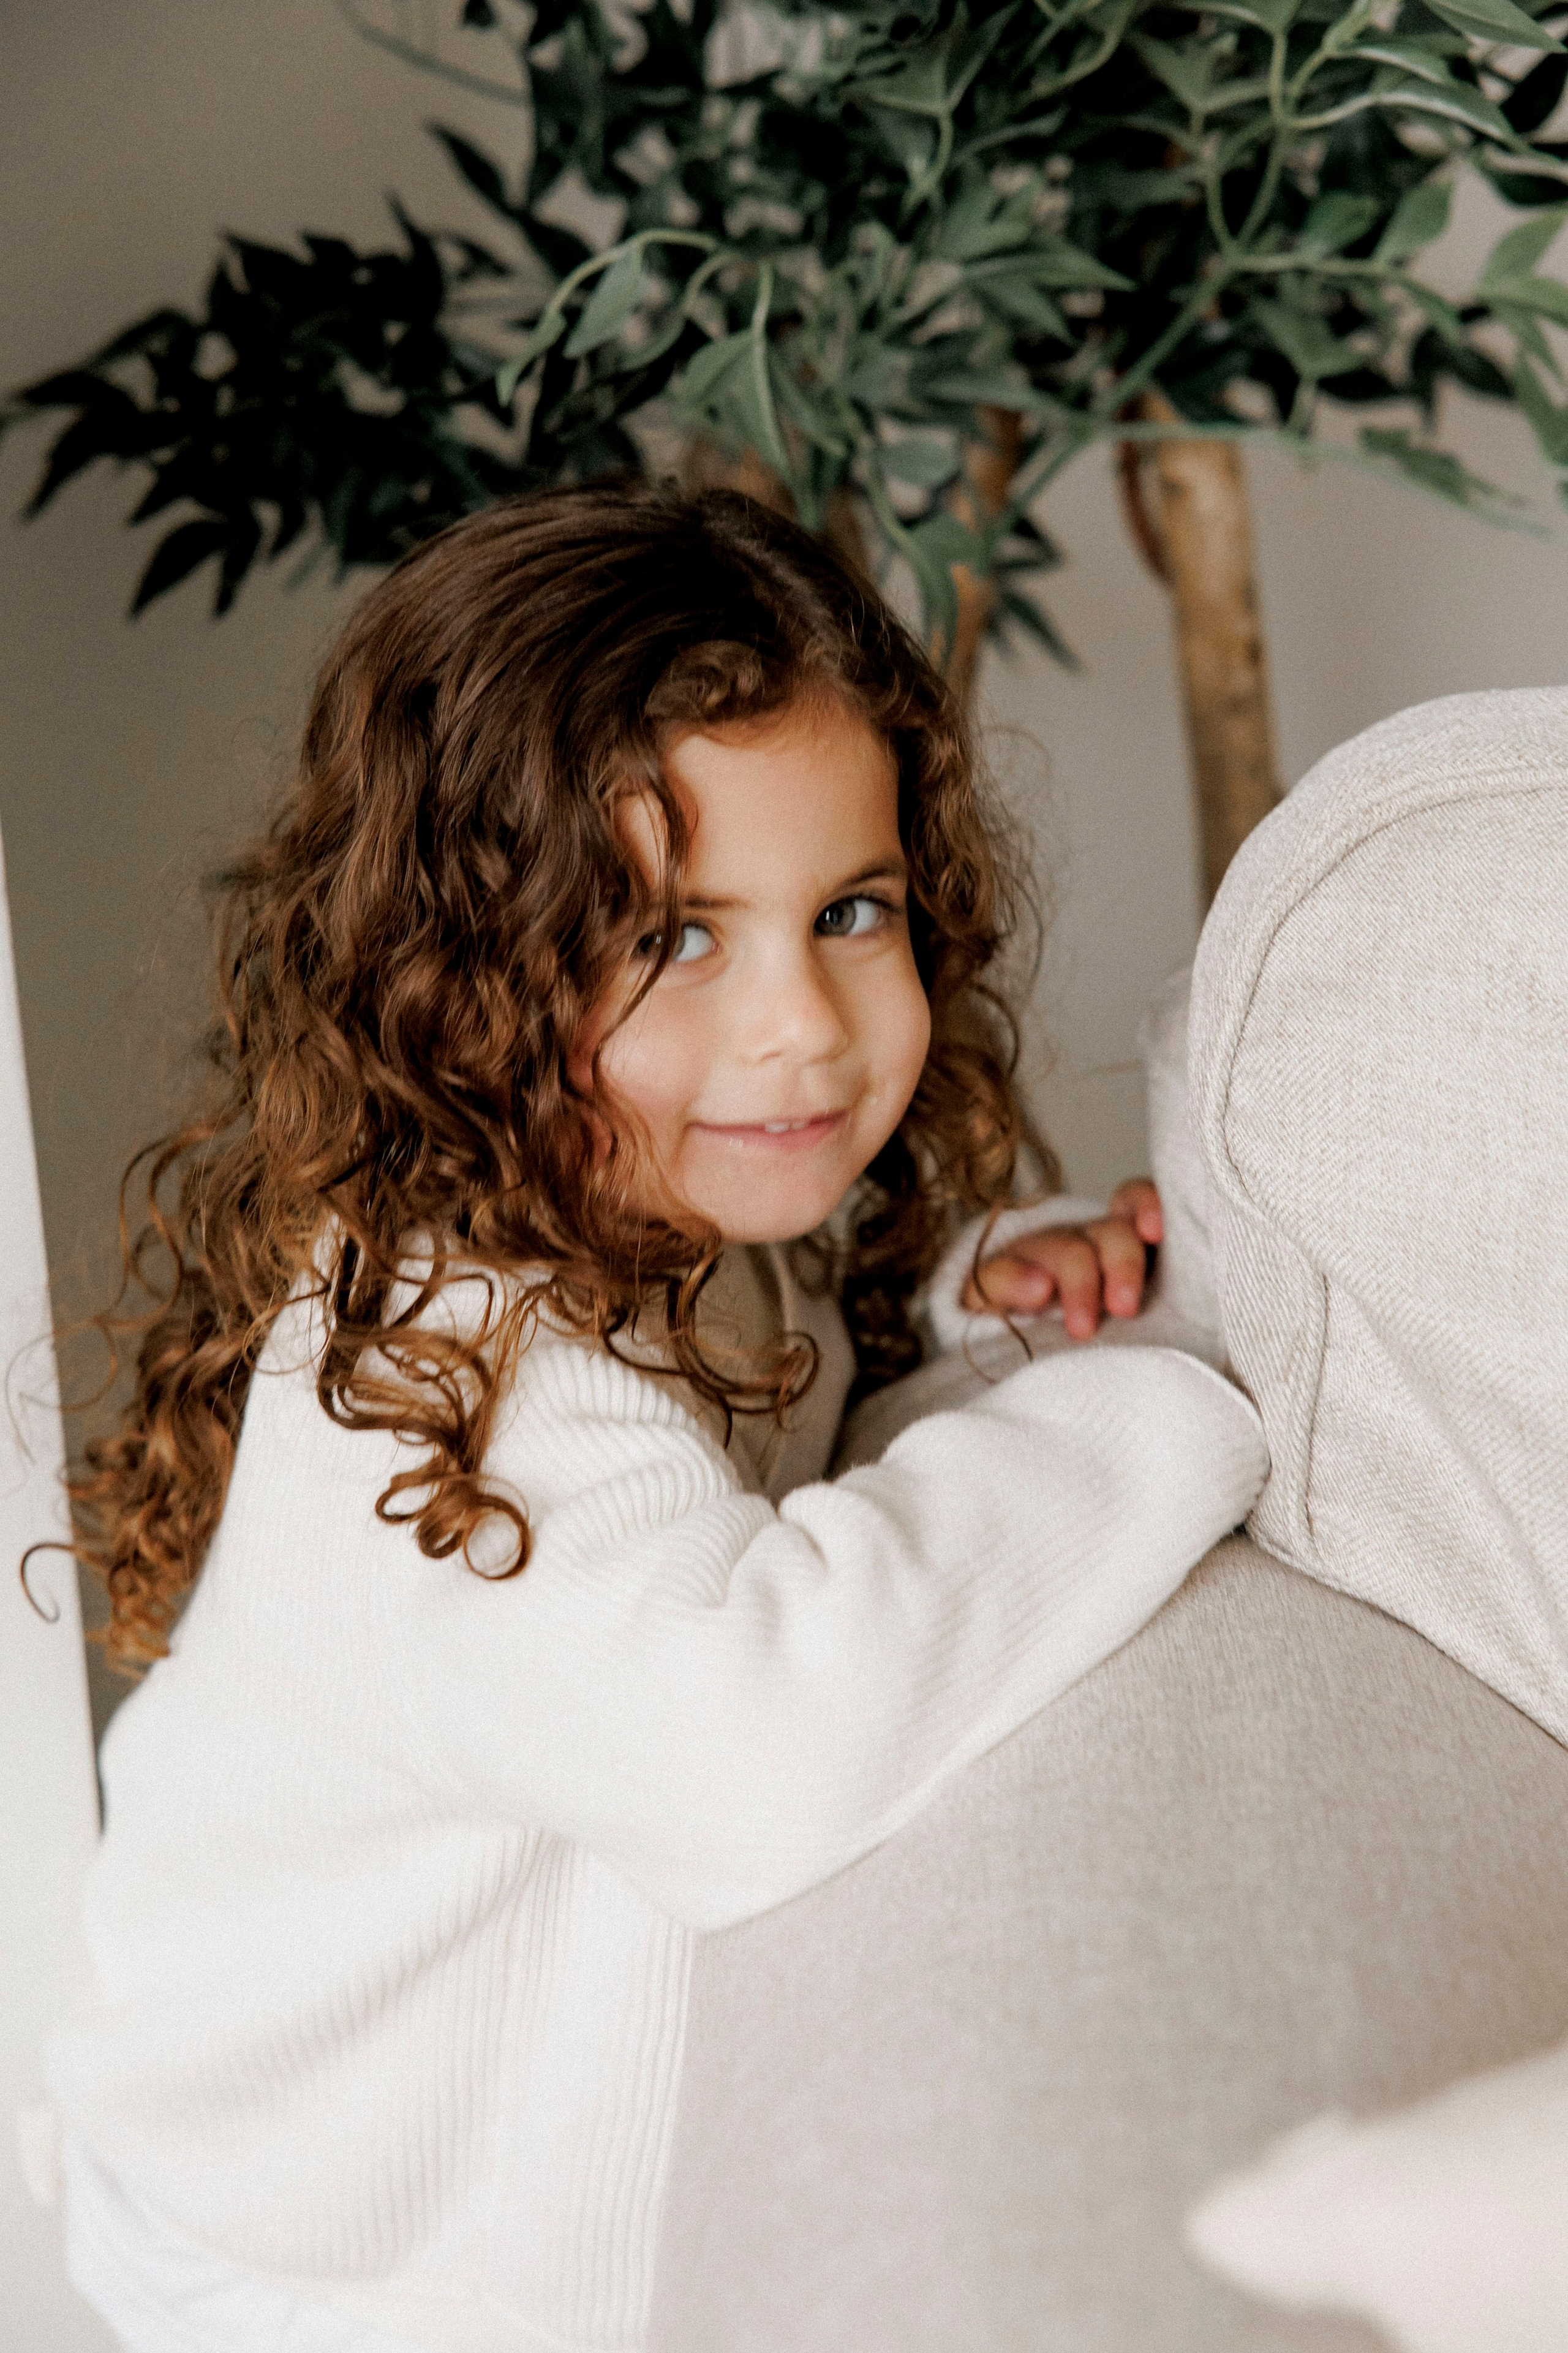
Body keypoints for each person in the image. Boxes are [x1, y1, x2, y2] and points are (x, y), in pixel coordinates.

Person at [39, 485, 1266, 2353]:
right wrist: (1168, 1410)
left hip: (381, 2169)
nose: (804, 1025)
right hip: (300, 2248)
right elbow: (761, 1732)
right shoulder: (458, 1377)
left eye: (851, 910)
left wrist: (969, 1301)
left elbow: (787, 1394)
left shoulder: (653, 1203)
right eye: (680, 938)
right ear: (465, 974)